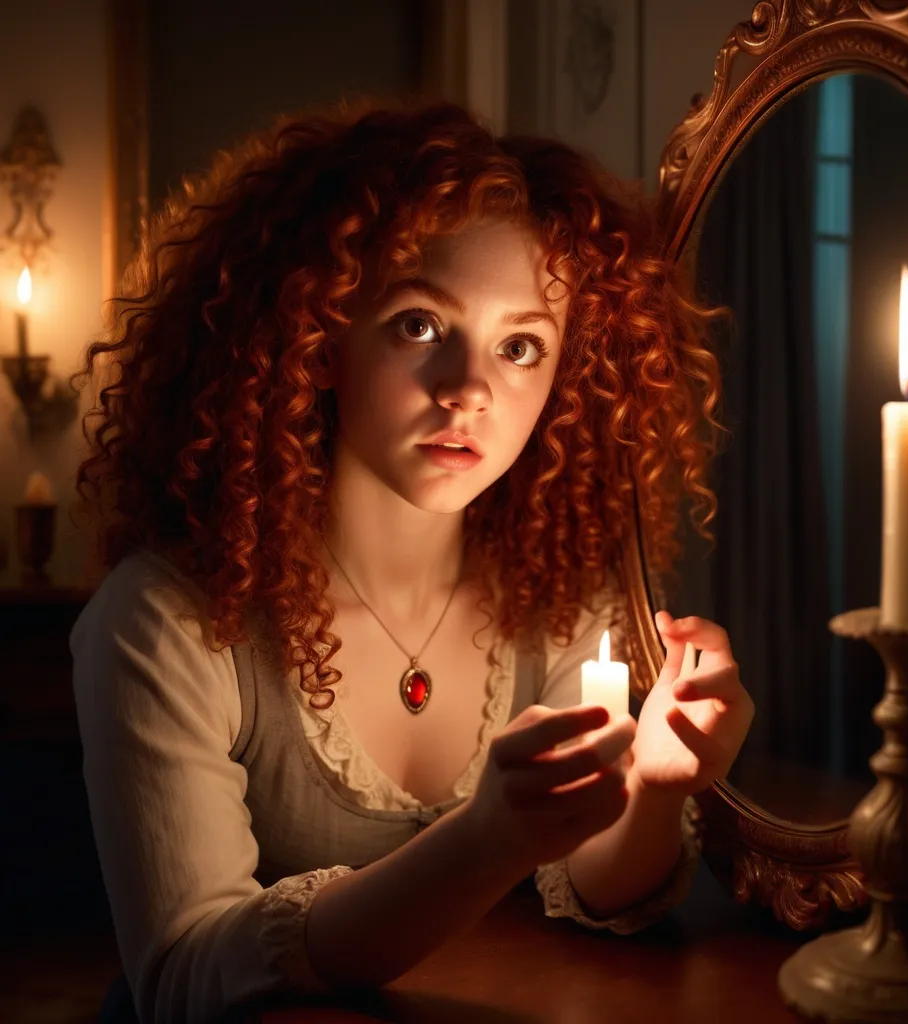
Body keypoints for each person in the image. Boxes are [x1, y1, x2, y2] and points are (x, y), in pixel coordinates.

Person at [70, 100, 754, 1024]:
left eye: (521, 347)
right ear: (319, 338)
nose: (469, 389)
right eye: (420, 326)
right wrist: (485, 841)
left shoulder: (557, 601)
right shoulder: (166, 622)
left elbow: (603, 892)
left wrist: (653, 791)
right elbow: (184, 974)